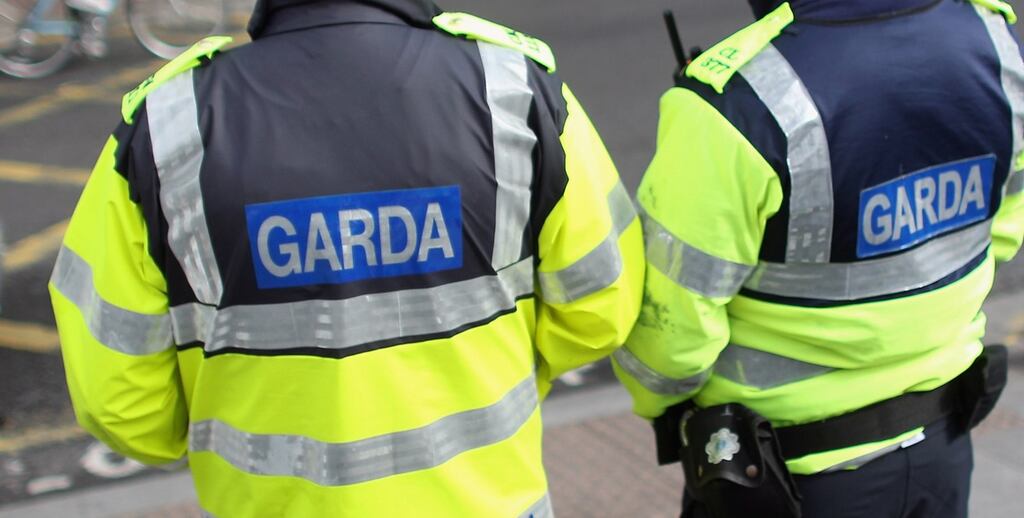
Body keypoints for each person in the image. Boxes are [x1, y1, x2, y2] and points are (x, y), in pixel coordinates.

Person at [48, 0, 644, 515]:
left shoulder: (166, 128)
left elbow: (122, 405)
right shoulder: (514, 90)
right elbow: (601, 310)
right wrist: (494, 366)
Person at [614, 0, 1024, 517]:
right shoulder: (992, 40)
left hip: (787, 481)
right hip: (940, 451)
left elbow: (668, 339)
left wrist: (665, 409)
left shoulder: (736, 101)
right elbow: (1001, 235)